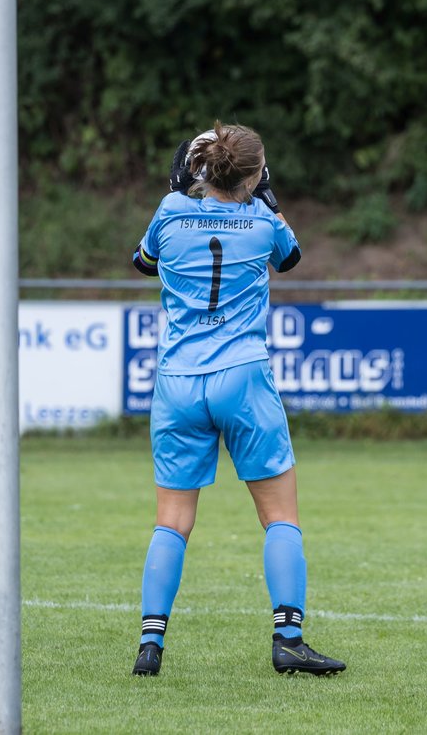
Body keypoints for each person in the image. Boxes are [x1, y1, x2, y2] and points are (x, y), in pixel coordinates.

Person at [129, 122, 346, 678]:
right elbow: (291, 257)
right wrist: (267, 199)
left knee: (171, 522)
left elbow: (143, 261)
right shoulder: (263, 222)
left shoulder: (170, 212)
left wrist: (181, 189)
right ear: (253, 175)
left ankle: (150, 647)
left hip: (178, 382)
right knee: (280, 518)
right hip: (242, 378)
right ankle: (289, 640)